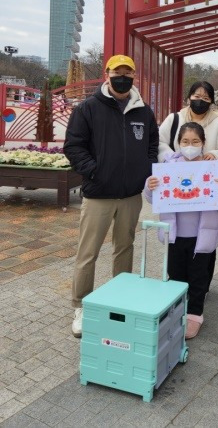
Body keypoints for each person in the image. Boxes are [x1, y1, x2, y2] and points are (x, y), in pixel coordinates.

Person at [64, 54, 159, 338]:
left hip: (130, 196)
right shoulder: (88, 108)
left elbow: (152, 144)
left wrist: (144, 169)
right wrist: (94, 172)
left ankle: (120, 300)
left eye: (128, 73)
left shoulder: (144, 111)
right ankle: (81, 304)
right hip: (98, 196)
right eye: (118, 72)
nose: (123, 77)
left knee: (124, 249)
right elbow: (74, 146)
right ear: (107, 74)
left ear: (134, 77)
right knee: (87, 253)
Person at [144, 122, 218, 339]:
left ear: (203, 143)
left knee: (198, 278)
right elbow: (151, 197)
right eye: (185, 141)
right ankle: (176, 310)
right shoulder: (167, 166)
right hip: (175, 235)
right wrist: (150, 186)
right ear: (178, 143)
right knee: (175, 275)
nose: (190, 146)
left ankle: (195, 315)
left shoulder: (213, 168)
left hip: (202, 236)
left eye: (195, 141)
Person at [158, 81, 218, 289]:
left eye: (206, 98)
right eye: (197, 96)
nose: (200, 101)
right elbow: (160, 142)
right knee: (178, 238)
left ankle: (202, 285)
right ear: (189, 97)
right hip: (176, 188)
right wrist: (172, 159)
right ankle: (178, 285)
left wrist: (213, 155)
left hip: (205, 190)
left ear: (212, 102)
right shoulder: (174, 119)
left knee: (206, 235)